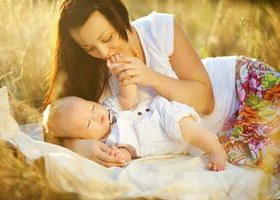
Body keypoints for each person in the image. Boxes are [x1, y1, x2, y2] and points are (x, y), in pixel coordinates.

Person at [44, 0, 280, 171]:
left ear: (119, 15)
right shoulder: (90, 71)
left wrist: (150, 77)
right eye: (89, 48)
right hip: (219, 133)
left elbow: (207, 103)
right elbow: (54, 123)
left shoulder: (159, 30)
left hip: (241, 86)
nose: (103, 52)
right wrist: (79, 147)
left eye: (107, 38)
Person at [45, 95, 227, 171]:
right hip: (171, 144)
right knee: (187, 140)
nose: (95, 115)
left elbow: (128, 97)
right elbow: (128, 154)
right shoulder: (108, 144)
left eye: (91, 107)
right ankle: (208, 143)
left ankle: (215, 148)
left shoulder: (111, 106)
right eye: (87, 123)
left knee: (184, 128)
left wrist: (126, 82)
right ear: (83, 138)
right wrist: (118, 156)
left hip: (162, 115)